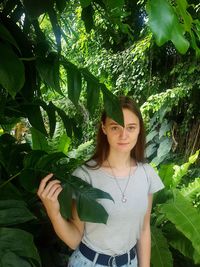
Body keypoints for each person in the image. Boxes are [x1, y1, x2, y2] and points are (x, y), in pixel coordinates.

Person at [37, 96, 164, 267]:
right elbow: (74, 240)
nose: (123, 135)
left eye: (131, 127)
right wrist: (54, 213)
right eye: (115, 127)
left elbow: (143, 229)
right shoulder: (85, 175)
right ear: (104, 128)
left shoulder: (147, 174)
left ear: (140, 129)